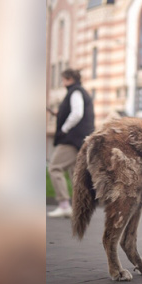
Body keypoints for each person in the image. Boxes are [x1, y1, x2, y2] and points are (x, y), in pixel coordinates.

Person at [47, 69, 94, 218]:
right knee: (75, 174)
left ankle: (64, 205)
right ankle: (81, 208)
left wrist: (64, 129)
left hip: (72, 139)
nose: (62, 83)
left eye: (63, 79)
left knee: (55, 167)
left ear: (68, 79)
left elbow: (77, 113)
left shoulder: (75, 92)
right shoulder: (80, 92)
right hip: (80, 139)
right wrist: (57, 114)